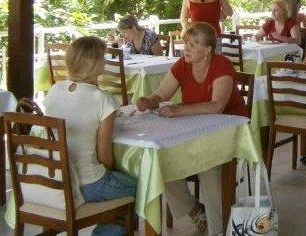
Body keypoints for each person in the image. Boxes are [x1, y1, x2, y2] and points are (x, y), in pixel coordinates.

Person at [136, 23, 246, 234]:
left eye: (193, 44)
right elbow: (162, 94)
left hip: (228, 132)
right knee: (163, 161)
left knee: (208, 166)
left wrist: (178, 111)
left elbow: (217, 106)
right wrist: (149, 101)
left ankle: (218, 228)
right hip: (196, 130)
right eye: (186, 43)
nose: (186, 48)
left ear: (208, 50)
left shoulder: (221, 65)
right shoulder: (183, 64)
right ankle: (195, 211)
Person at [44, 36, 136, 236]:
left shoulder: (55, 90)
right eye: (102, 57)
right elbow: (104, 157)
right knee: (134, 186)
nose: (105, 60)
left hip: (56, 179)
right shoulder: (102, 99)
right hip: (87, 183)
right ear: (94, 64)